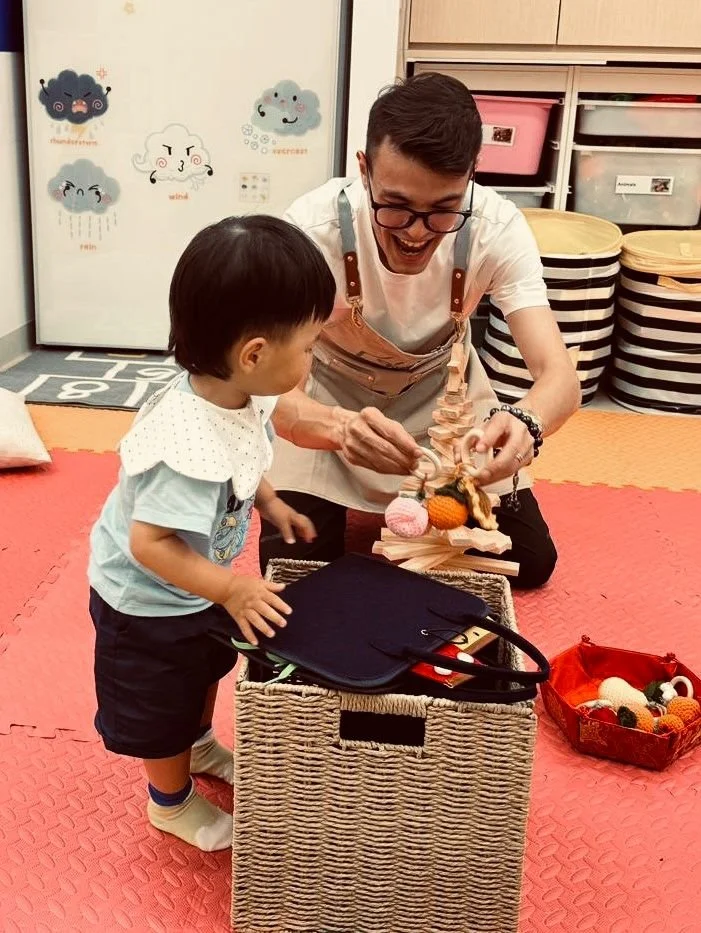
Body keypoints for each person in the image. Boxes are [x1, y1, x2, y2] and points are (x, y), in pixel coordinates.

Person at [261, 72, 581, 588]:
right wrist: (340, 428)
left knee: (531, 561)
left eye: (443, 211)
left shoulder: (496, 228)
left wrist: (527, 423)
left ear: (471, 177)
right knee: (295, 568)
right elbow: (272, 394)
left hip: (448, 407)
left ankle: (423, 499)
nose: (415, 233)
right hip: (333, 401)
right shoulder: (310, 231)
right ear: (363, 170)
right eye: (397, 206)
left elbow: (560, 377)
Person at [87, 216, 335, 851]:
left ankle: (197, 748)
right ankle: (168, 802)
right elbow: (151, 544)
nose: (312, 359)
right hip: (145, 603)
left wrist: (270, 502)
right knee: (160, 709)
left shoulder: (235, 395)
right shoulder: (183, 448)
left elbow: (244, 462)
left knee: (205, 672)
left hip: (196, 589)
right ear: (254, 353)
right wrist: (231, 588)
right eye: (308, 347)